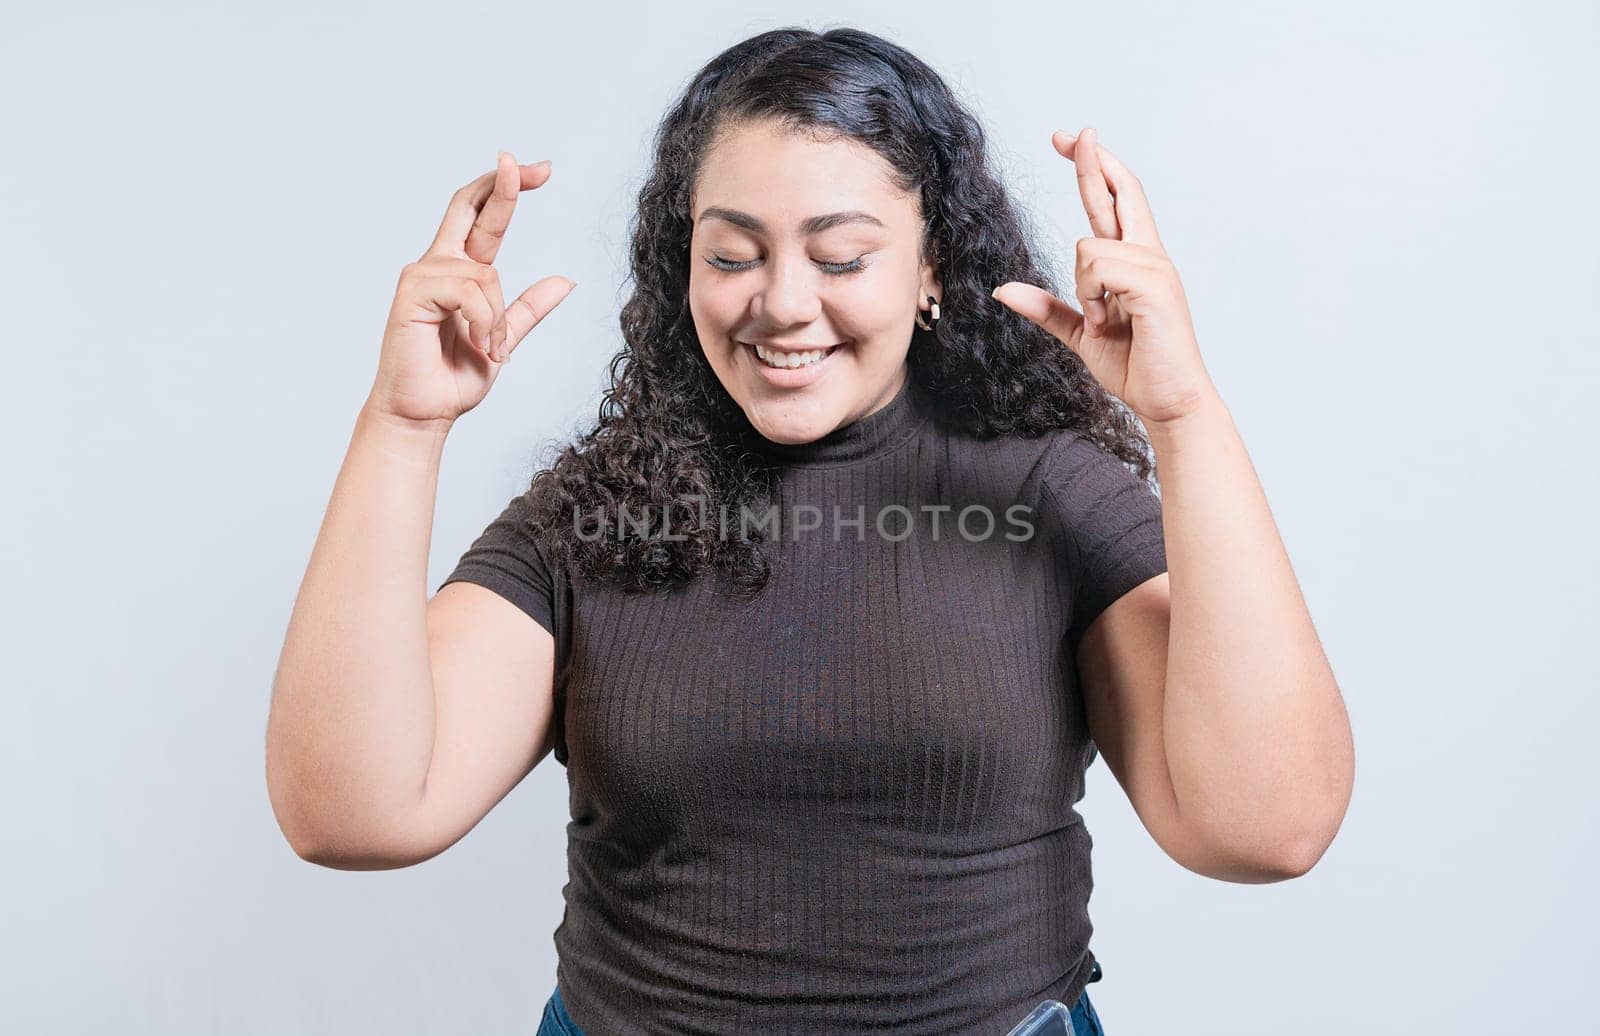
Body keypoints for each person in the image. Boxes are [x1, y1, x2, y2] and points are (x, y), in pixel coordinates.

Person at [264, 26, 1354, 1036]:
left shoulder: (1046, 494)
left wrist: (1184, 415)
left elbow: (1264, 829)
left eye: (840, 258)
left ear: (932, 267)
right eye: (733, 254)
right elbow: (352, 813)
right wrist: (401, 427)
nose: (783, 303)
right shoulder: (598, 509)